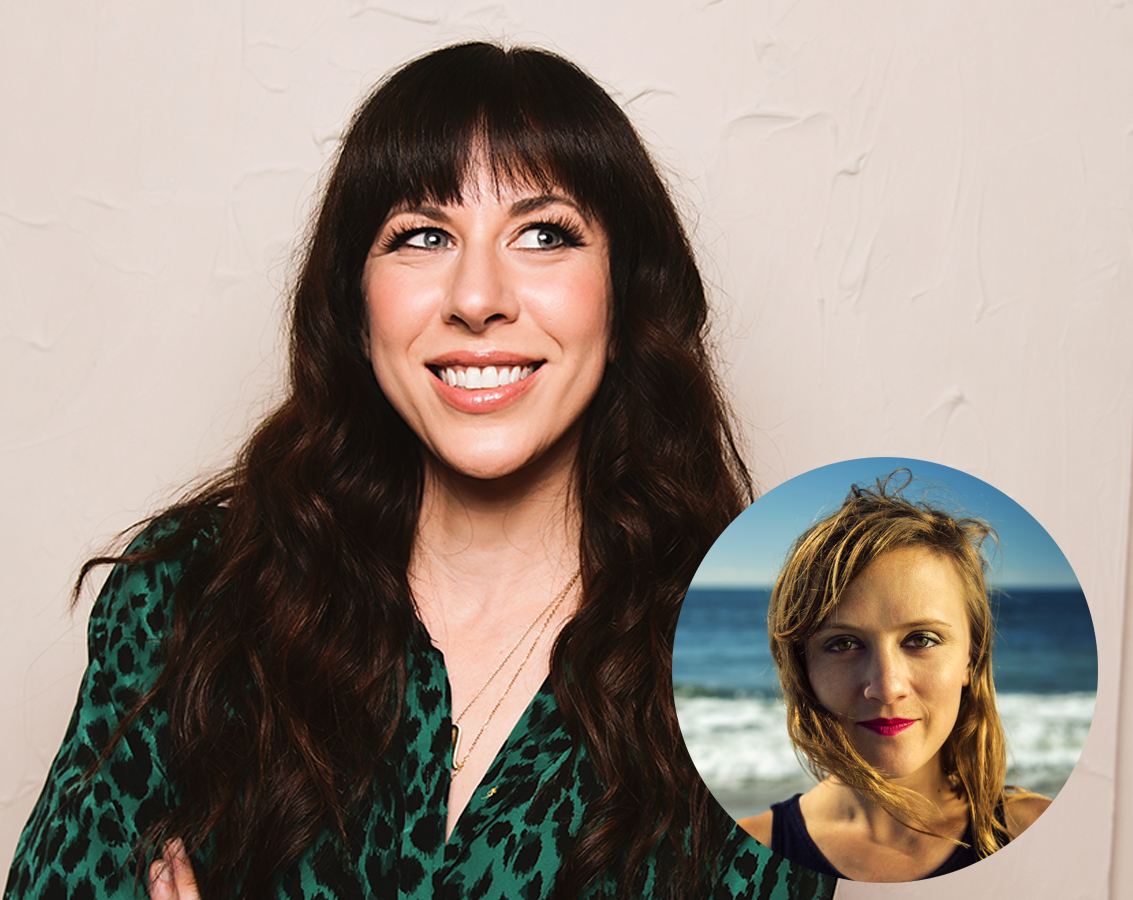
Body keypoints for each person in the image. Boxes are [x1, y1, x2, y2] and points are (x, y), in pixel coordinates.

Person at [5, 43, 834, 900]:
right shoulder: (189, 599)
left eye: (544, 234)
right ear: (358, 312)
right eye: (422, 236)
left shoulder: (764, 678)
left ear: (624, 301)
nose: (477, 298)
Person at [738, 475, 1052, 882]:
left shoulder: (1040, 833)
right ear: (802, 668)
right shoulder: (741, 858)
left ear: (971, 660)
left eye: (921, 639)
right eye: (843, 644)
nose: (886, 687)